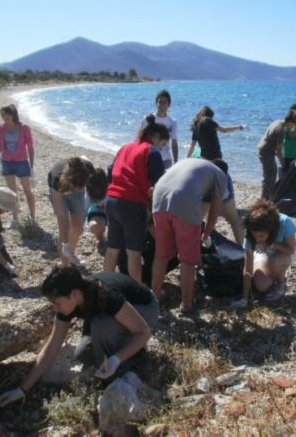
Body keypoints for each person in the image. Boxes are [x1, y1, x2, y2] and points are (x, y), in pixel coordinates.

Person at [0, 267, 158, 407]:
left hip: (145, 309)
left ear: (73, 294)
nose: (55, 309)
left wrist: (116, 359)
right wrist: (22, 389)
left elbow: (144, 331)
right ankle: (125, 350)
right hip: (119, 316)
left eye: (57, 303)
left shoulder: (106, 295)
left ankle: (125, 367)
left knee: (100, 327)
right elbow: (52, 347)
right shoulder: (70, 304)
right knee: (83, 353)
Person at [152, 158, 228, 312]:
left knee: (161, 255)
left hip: (158, 195)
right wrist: (205, 235)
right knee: (187, 260)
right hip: (182, 198)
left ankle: (155, 297)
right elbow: (213, 216)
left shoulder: (192, 163)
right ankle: (186, 305)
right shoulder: (221, 175)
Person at [103, 115, 169, 282]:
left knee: (112, 250)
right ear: (156, 137)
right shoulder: (151, 151)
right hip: (131, 204)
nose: (161, 148)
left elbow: (110, 173)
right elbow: (161, 186)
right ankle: (138, 292)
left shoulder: (125, 147)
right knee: (134, 253)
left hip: (111, 199)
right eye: (163, 144)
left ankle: (104, 287)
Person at [231, 199, 296, 308]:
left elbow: (291, 250)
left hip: (285, 250)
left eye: (261, 236)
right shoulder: (251, 233)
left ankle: (281, 282)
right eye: (255, 235)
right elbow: (247, 269)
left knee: (275, 262)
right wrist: (244, 298)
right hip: (263, 251)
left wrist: (272, 245)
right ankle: (273, 275)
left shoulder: (285, 222)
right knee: (262, 286)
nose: (257, 239)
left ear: (270, 230)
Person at [48, 157, 100, 267]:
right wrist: (65, 243)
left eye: (82, 187)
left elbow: (98, 190)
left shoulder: (89, 170)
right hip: (60, 189)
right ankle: (65, 265)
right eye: (78, 188)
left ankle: (70, 256)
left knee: (77, 227)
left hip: (75, 186)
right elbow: (61, 215)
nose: (79, 190)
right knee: (64, 229)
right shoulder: (57, 178)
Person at [0, 104, 35, 227]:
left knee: (27, 190)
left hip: (21, 162)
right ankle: (15, 219)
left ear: (13, 116)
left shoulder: (24, 128)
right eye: (3, 117)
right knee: (12, 192)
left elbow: (30, 147)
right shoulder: (0, 129)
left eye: (7, 117)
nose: (4, 120)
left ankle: (33, 217)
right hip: (7, 162)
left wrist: (32, 167)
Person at [201, 159, 244, 247]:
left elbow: (212, 216)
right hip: (213, 184)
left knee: (231, 218)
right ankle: (242, 248)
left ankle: (241, 248)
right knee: (233, 220)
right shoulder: (223, 175)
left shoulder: (219, 177)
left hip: (215, 184)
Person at [257, 113, 290, 201]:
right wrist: (284, 164)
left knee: (270, 174)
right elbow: (279, 151)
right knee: (270, 176)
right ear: (290, 122)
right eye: (294, 123)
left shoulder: (278, 121)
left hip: (263, 149)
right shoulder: (281, 130)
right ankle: (264, 199)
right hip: (266, 152)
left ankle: (267, 197)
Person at [142, 89, 178, 169]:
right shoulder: (148, 119)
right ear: (156, 103)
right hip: (150, 157)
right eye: (160, 102)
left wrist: (176, 162)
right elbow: (141, 139)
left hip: (166, 159)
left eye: (165, 102)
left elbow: (174, 142)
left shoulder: (172, 122)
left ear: (169, 104)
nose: (162, 105)